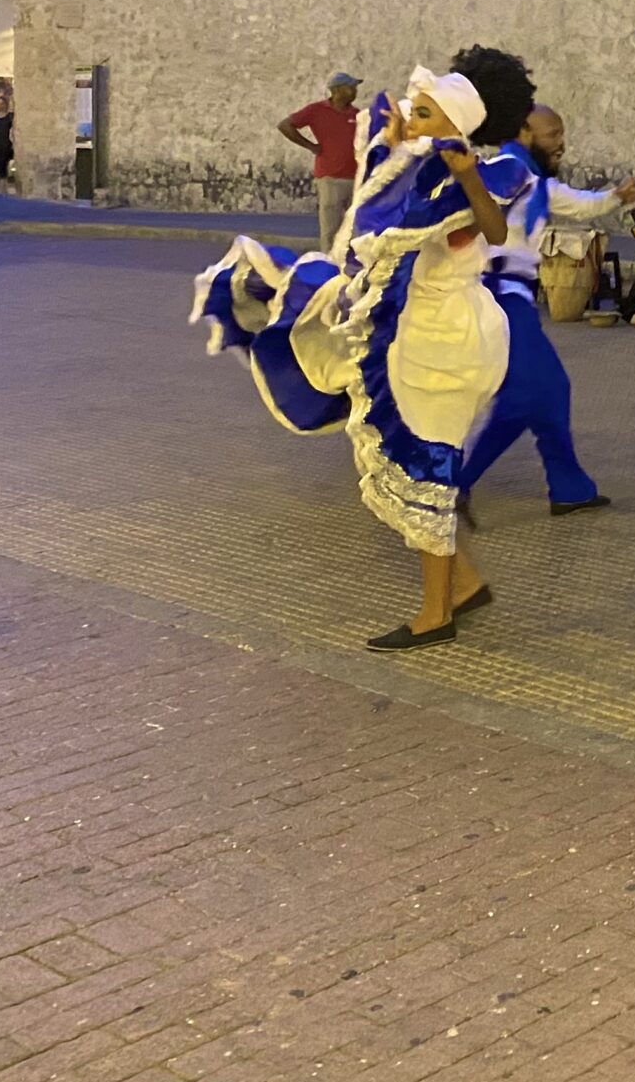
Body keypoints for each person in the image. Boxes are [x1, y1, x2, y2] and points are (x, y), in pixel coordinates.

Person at [196, 53, 538, 650]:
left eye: (424, 113)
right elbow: (369, 229)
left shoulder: (473, 174)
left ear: (453, 123)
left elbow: (494, 230)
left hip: (443, 341)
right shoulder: (414, 172)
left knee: (424, 464)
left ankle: (437, 613)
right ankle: (464, 583)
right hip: (424, 330)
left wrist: (464, 175)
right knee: (425, 464)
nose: (411, 119)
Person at [460, 105, 635, 515]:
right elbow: (472, 196)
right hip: (498, 298)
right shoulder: (507, 168)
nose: (561, 142)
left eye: (562, 133)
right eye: (553, 133)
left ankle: (570, 486)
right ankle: (453, 483)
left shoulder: (533, 181)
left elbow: (576, 204)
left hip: (515, 299)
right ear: (525, 133)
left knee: (552, 390)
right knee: (524, 395)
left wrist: (616, 197)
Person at [279, 73, 363, 256]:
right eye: (351, 87)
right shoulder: (316, 110)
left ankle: (349, 261)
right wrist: (310, 146)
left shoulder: (357, 115)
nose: (355, 92)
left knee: (354, 226)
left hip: (356, 177)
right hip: (331, 177)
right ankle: (329, 261)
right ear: (338, 90)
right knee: (331, 226)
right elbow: (285, 125)